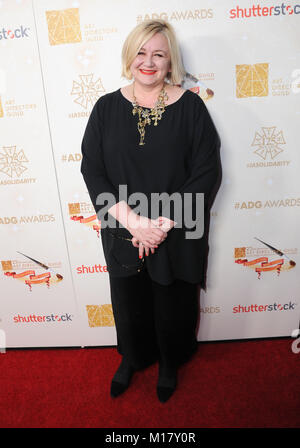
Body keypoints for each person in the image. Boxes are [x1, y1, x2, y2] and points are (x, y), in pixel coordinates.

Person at [80, 19, 221, 403]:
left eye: (158, 54)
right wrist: (132, 221)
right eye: (141, 52)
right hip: (124, 225)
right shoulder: (106, 108)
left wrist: (163, 223)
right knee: (128, 302)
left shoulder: (191, 107)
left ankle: (170, 362)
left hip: (175, 227)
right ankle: (132, 358)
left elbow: (208, 170)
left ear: (170, 61)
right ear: (130, 57)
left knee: (174, 299)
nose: (149, 61)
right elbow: (92, 169)